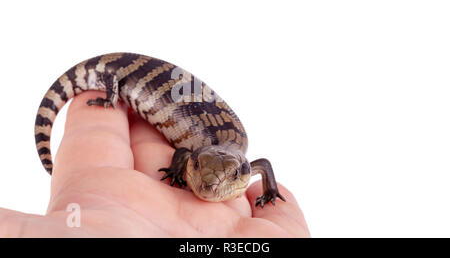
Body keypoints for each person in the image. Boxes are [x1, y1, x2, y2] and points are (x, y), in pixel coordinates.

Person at [0, 92, 310, 237]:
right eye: (198, 171)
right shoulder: (192, 156)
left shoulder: (245, 164)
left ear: (242, 173)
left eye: (227, 180)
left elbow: (263, 164)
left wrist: (269, 190)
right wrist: (178, 172)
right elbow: (184, 154)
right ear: (194, 163)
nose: (208, 187)